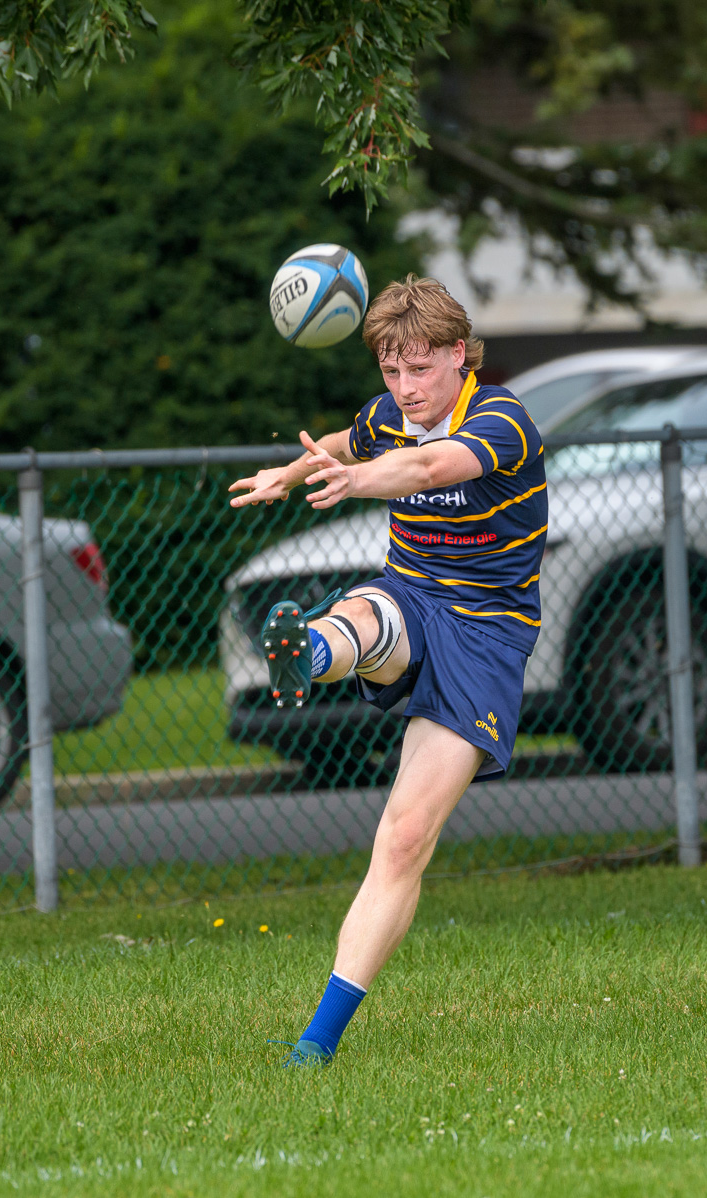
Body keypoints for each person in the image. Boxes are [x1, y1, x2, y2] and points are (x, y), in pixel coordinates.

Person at [228, 275, 547, 1067]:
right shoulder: (387, 415)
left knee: (403, 840)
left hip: (486, 637)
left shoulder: (502, 417)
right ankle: (308, 651)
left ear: (458, 357)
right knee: (370, 614)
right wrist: (289, 473)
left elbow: (431, 470)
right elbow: (345, 440)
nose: (404, 389)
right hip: (411, 595)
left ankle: (317, 1041)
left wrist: (358, 480)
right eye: (391, 370)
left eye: (420, 370)